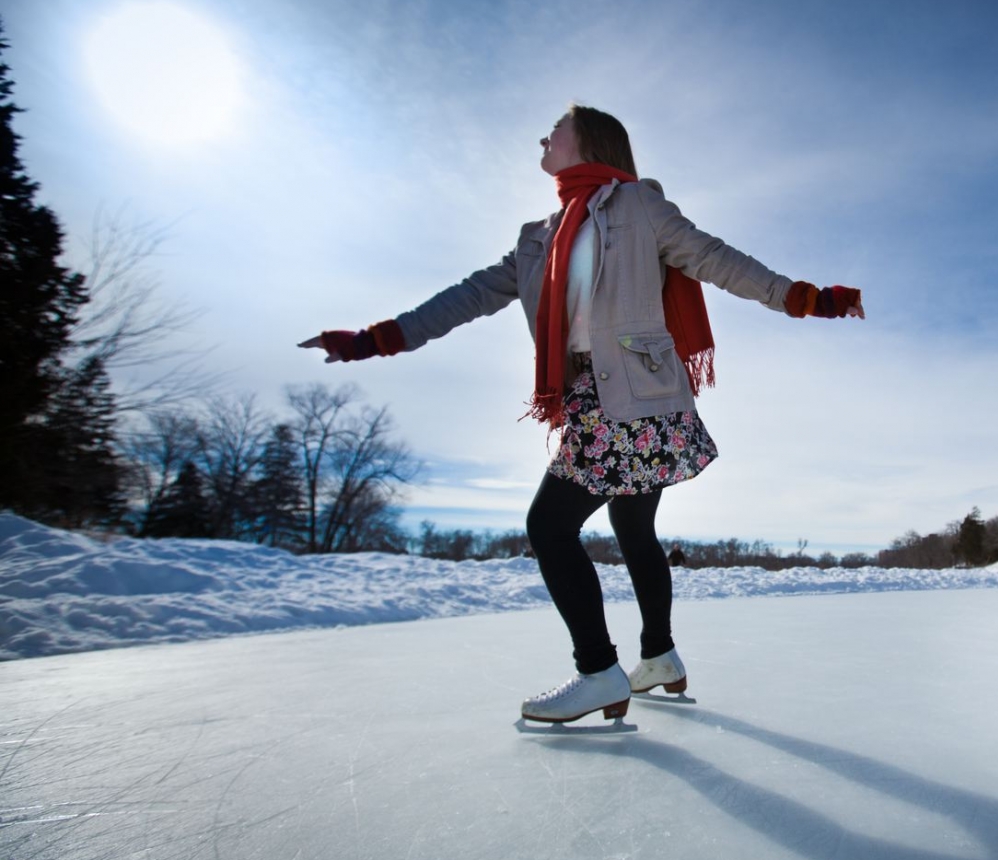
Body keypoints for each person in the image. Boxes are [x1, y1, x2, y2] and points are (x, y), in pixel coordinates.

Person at [301, 104, 864, 724]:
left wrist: (806, 298)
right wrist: (375, 339)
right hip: (600, 400)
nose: (543, 135)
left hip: (636, 399)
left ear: (588, 141)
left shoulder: (637, 207)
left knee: (548, 525)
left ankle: (598, 670)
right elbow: (465, 298)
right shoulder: (536, 239)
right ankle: (660, 657)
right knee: (633, 531)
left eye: (555, 129)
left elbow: (717, 259)